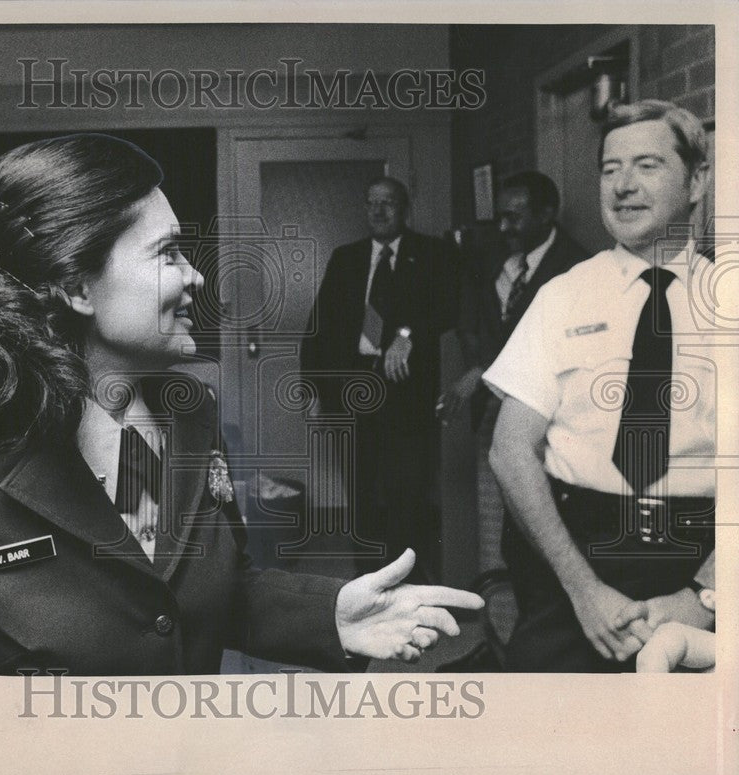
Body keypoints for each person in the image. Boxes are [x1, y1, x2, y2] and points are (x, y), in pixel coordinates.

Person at [0, 134, 482, 675]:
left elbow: (190, 597)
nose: (194, 277)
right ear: (75, 287)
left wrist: (330, 614)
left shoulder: (188, 415)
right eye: (167, 253)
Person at [483, 100, 717, 671]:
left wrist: (705, 598)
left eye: (647, 165)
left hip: (701, 556)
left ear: (696, 181)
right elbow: (510, 449)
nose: (623, 186)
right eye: (610, 169)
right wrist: (582, 590)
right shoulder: (563, 295)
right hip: (574, 554)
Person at [300, 176, 456, 577]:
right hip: (352, 390)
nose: (379, 211)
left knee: (408, 494)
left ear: (405, 208)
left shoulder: (433, 254)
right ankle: (368, 584)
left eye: (388, 203)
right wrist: (314, 391)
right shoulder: (346, 258)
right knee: (362, 494)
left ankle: (408, 583)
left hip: (406, 395)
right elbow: (319, 326)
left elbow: (449, 309)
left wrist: (408, 334)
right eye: (372, 203)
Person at [440, 171, 589, 584]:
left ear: (547, 215)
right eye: (501, 216)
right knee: (494, 534)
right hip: (493, 412)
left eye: (516, 217)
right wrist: (480, 364)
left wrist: (485, 371)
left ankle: (524, 636)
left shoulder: (577, 268)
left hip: (548, 422)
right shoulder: (493, 257)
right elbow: (473, 317)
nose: (504, 227)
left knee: (536, 535)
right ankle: (496, 637)